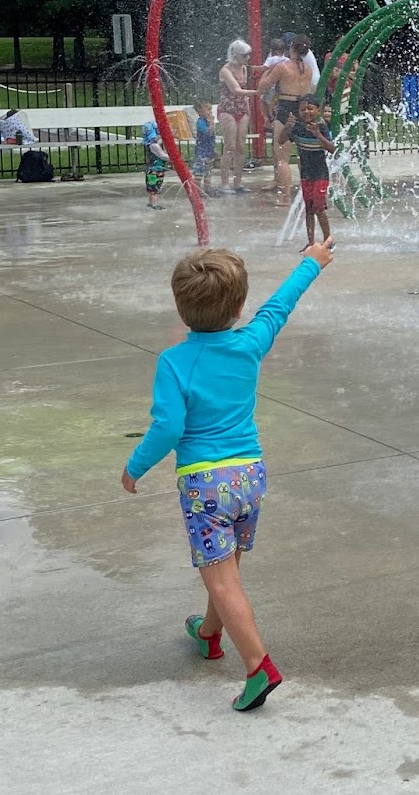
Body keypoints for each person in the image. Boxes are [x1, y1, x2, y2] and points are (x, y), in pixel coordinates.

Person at [121, 236, 335, 712]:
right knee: (228, 564)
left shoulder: (174, 361)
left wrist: (135, 467)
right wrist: (311, 264)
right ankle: (209, 632)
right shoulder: (249, 344)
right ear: (239, 305)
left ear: (180, 308)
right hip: (250, 476)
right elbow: (280, 306)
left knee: (219, 578)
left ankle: (259, 665)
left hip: (204, 484)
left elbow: (168, 427)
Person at [263, 35, 318, 197]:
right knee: (304, 154)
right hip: (302, 109)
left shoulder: (282, 67)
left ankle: (285, 196)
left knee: (282, 158)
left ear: (291, 48)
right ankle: (307, 191)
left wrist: (268, 69)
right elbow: (310, 92)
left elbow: (263, 87)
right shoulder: (307, 69)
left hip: (286, 107)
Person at [289, 96, 335, 244]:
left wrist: (318, 135)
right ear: (298, 111)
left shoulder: (321, 126)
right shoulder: (297, 126)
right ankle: (310, 242)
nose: (306, 112)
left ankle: (328, 241)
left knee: (318, 208)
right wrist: (286, 127)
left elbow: (332, 149)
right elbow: (281, 140)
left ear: (318, 110)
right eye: (303, 109)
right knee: (309, 209)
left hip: (321, 174)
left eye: (310, 108)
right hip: (306, 175)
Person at [218, 41, 256, 194]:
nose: (248, 58)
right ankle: (224, 183)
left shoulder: (244, 69)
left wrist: (248, 111)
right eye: (245, 55)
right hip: (228, 109)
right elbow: (236, 90)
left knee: (241, 146)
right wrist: (258, 92)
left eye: (248, 54)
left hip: (241, 109)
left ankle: (238, 182)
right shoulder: (225, 70)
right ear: (235, 55)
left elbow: (244, 92)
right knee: (230, 147)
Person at [192, 98, 220, 198]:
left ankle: (208, 189)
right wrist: (212, 123)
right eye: (208, 110)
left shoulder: (206, 121)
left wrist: (214, 150)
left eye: (210, 110)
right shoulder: (200, 122)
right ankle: (196, 191)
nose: (210, 112)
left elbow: (211, 138)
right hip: (201, 151)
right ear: (200, 112)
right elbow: (208, 134)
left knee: (208, 172)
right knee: (199, 172)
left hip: (208, 151)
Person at [142, 119, 170, 210]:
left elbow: (158, 142)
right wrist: (172, 158)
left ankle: (150, 203)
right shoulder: (154, 146)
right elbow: (162, 156)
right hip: (156, 170)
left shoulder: (149, 144)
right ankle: (155, 205)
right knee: (155, 188)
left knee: (151, 187)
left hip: (150, 170)